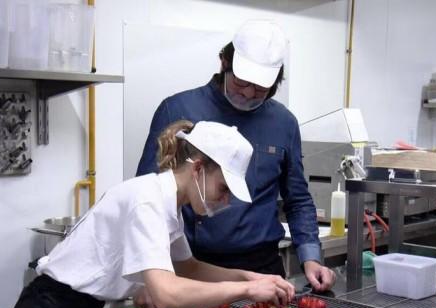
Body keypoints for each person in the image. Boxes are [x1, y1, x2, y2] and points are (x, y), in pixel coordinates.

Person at [0, 120, 295, 308]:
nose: (225, 200)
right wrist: (247, 289)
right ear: (198, 168)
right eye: (223, 188)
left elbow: (187, 267)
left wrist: (250, 275)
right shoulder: (148, 201)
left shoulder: (169, 205)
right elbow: (167, 293)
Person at [136, 20, 336, 294]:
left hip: (261, 266)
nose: (249, 93)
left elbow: (298, 199)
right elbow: (150, 195)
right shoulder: (178, 109)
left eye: (261, 89)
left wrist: (310, 257)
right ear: (224, 63)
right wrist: (148, 275)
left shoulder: (283, 123)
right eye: (242, 83)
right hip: (194, 266)